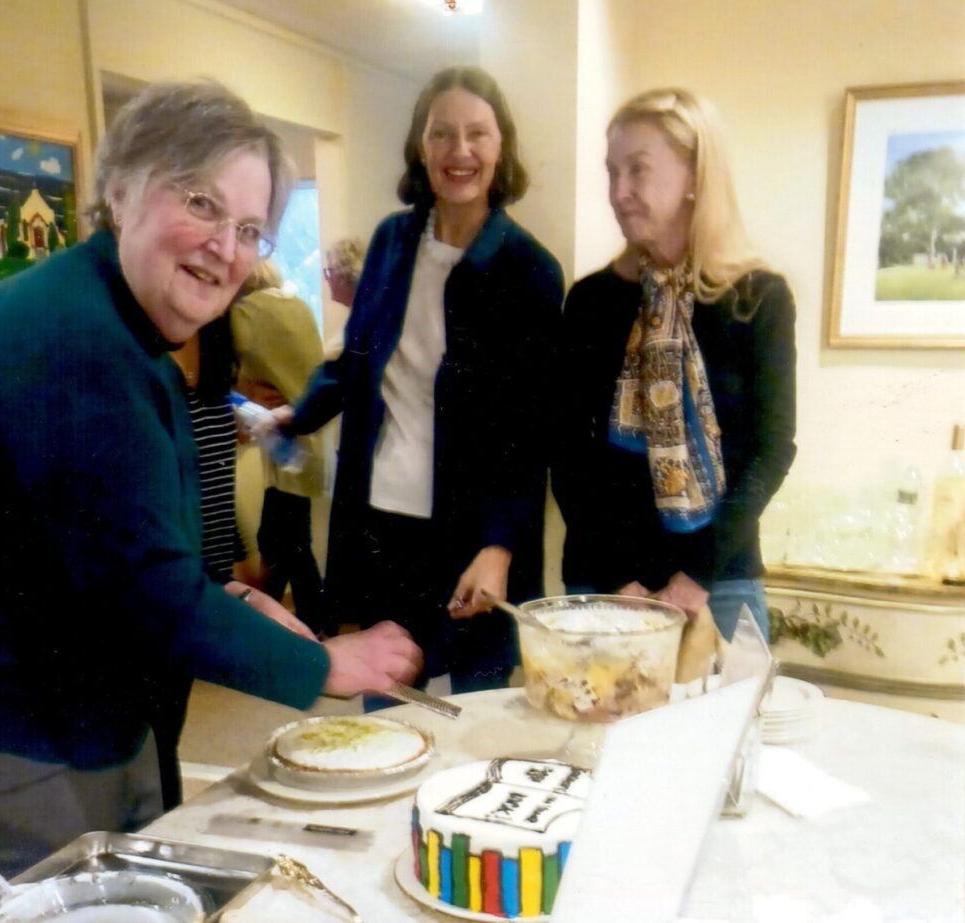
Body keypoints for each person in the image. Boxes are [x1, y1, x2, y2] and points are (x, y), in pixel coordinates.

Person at [0, 79, 421, 912]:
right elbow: (145, 592)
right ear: (121, 188)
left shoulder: (122, 331)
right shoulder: (76, 340)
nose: (226, 249)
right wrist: (325, 663)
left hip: (75, 722)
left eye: (248, 230)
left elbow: (116, 549)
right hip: (18, 741)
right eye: (201, 203)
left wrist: (234, 594)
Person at [279, 66, 564, 693]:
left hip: (473, 535)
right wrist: (297, 414)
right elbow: (358, 361)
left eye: (477, 135)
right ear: (420, 146)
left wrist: (499, 548)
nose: (459, 152)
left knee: (477, 720)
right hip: (382, 523)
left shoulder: (530, 271)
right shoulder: (390, 242)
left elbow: (529, 432)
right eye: (441, 134)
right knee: (387, 708)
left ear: (500, 147)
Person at [552, 87, 796, 641]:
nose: (619, 193)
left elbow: (773, 447)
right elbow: (567, 452)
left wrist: (695, 576)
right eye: (612, 172)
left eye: (638, 170)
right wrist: (621, 580)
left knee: (723, 729)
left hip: (719, 583)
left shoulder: (756, 298)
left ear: (694, 177)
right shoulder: (592, 301)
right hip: (605, 584)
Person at [231, 262, 327, 633]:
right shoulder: (298, 306)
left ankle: (297, 628)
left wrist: (245, 392)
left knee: (284, 544)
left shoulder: (246, 313)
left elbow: (222, 367)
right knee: (288, 541)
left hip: (283, 440)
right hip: (308, 437)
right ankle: (306, 626)